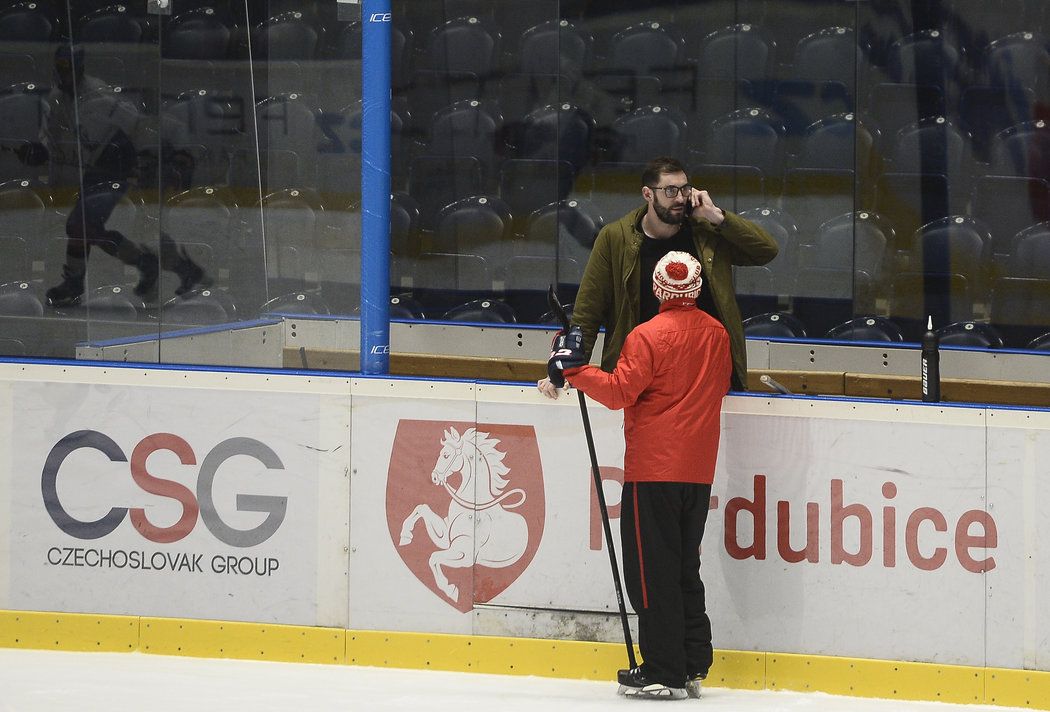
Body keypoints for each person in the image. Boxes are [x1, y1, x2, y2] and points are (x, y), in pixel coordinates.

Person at [547, 251, 731, 700]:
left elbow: (619, 391)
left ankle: (664, 668)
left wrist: (574, 369)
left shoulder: (646, 335)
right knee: (685, 564)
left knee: (651, 572)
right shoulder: (718, 334)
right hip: (697, 468)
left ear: (657, 289)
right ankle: (692, 661)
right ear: (697, 288)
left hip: (654, 469)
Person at [538, 156, 777, 397]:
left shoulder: (706, 232)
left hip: (704, 372)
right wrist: (567, 371)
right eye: (670, 191)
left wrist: (716, 215)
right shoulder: (615, 238)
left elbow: (765, 250)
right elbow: (588, 312)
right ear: (648, 194)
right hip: (642, 375)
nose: (680, 198)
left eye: (684, 189)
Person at [18, 44, 209, 308]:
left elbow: (143, 126)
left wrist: (167, 157)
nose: (64, 75)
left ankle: (148, 266)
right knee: (83, 227)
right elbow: (53, 144)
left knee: (92, 226)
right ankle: (173, 268)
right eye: (60, 69)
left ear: (80, 69)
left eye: (69, 69)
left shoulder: (99, 97)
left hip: (122, 168)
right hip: (95, 172)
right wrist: (38, 151)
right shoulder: (56, 99)